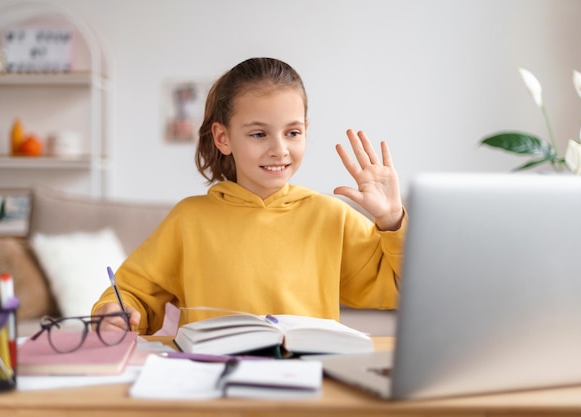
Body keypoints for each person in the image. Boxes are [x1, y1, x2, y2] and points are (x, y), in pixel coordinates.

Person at [92, 57, 407, 334]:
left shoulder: (331, 216)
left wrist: (393, 221)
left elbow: (403, 288)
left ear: (306, 131)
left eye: (292, 132)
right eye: (259, 134)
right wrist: (115, 312)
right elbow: (132, 293)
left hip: (304, 381)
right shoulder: (189, 219)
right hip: (213, 381)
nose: (279, 149)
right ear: (223, 137)